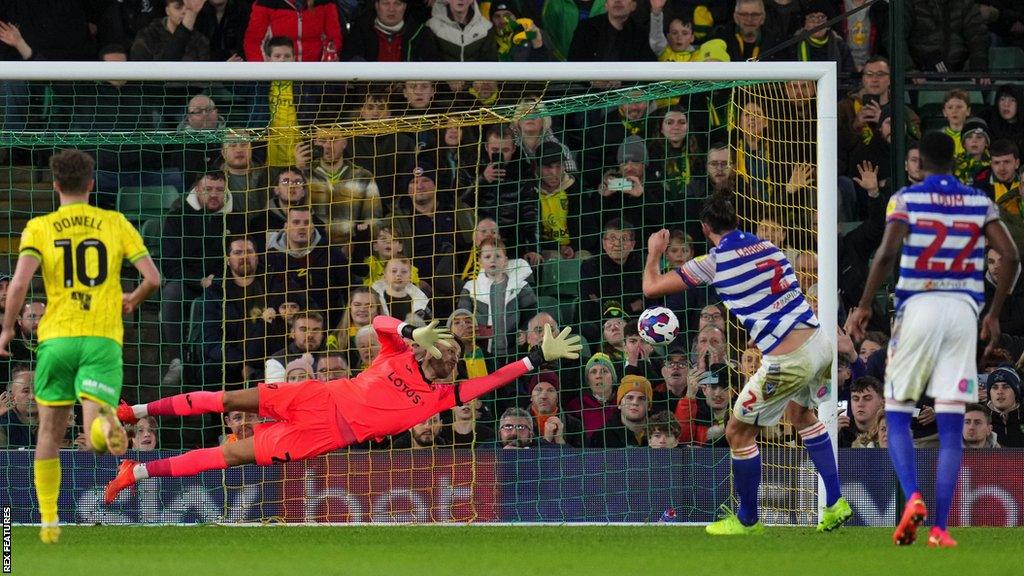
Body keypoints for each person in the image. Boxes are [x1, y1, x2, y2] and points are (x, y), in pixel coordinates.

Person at [105, 316, 581, 501]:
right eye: (447, 350)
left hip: (324, 437)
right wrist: (414, 331)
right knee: (229, 399)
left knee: (229, 455)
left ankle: (138, 472)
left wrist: (535, 358)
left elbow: (493, 380)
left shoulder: (441, 397)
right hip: (314, 395)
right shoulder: (396, 353)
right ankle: (137, 410)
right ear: (425, 351)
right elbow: (379, 321)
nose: (453, 359)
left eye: (457, 357)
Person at [845, 131, 1020, 547]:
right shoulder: (980, 202)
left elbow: (886, 253)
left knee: (901, 413)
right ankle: (941, 527)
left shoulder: (905, 199)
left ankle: (912, 499)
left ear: (919, 161)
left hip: (918, 308)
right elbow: (1010, 256)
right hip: (962, 313)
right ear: (955, 161)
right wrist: (994, 312)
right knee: (950, 421)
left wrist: (866, 303)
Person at [643, 193, 850, 535]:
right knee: (802, 415)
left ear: (705, 227)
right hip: (818, 343)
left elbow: (651, 287)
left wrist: (654, 251)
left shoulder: (713, 261)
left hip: (789, 359)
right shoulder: (767, 246)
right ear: (736, 220)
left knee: (737, 431)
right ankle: (836, 502)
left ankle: (748, 520)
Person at [0, 149, 161, 544]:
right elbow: (154, 278)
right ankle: (106, 429)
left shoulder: (40, 227)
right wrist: (134, 299)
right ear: (92, 184)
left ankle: (49, 521)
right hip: (101, 339)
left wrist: (7, 328)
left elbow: (19, 285)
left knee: (49, 434)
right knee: (92, 433)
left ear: (55, 186)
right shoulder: (115, 222)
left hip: (56, 340)